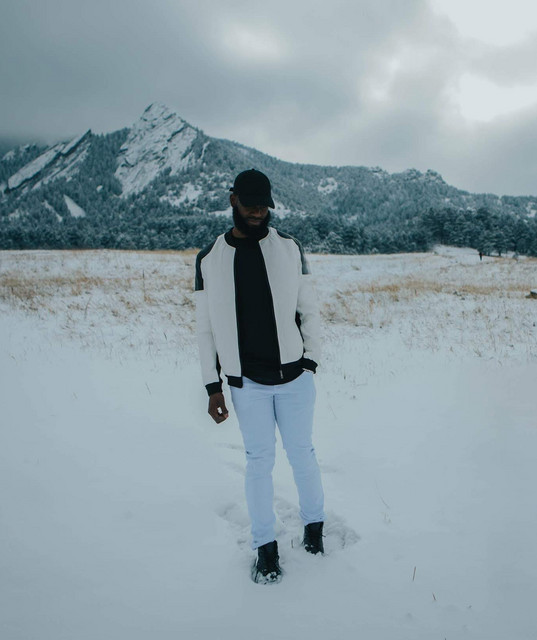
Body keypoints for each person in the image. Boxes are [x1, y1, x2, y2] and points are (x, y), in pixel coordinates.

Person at [195, 169, 325, 584]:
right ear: (232, 199)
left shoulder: (289, 248)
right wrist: (213, 385)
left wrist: (310, 362)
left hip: (295, 379)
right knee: (258, 463)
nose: (257, 212)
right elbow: (205, 328)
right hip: (247, 384)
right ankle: (265, 549)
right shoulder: (209, 259)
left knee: (302, 454)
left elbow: (309, 309)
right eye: (249, 204)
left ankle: (315, 529)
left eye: (263, 205)